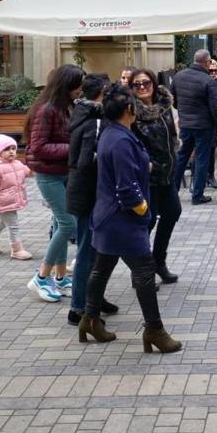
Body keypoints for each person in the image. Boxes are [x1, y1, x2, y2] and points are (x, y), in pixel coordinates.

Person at [78, 83, 182, 353]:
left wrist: (144, 164)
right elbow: (126, 188)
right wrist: (144, 210)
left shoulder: (113, 133)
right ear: (128, 109)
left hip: (107, 216)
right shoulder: (121, 139)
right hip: (122, 220)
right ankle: (154, 330)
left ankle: (89, 320)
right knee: (145, 272)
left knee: (102, 267)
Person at [25, 64, 84, 302]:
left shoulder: (67, 106)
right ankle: (41, 278)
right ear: (67, 85)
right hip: (49, 176)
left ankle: (60, 278)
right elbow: (37, 147)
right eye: (78, 84)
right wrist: (73, 149)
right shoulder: (46, 109)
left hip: (64, 173)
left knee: (62, 225)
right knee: (68, 225)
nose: (81, 89)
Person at [66, 73, 118, 326]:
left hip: (86, 193)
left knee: (96, 250)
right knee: (88, 251)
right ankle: (78, 307)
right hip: (89, 195)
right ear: (102, 93)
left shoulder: (84, 112)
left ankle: (93, 299)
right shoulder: (94, 121)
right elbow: (87, 162)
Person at [130, 68, 181, 282]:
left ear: (153, 83)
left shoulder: (164, 105)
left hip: (167, 171)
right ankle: (141, 270)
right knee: (146, 222)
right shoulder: (130, 110)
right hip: (146, 176)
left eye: (146, 83)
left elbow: (171, 133)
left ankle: (159, 260)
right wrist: (144, 163)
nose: (142, 87)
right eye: (137, 84)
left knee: (172, 212)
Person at [171, 50, 217, 205]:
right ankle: (197, 195)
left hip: (186, 124)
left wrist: (184, 112)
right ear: (207, 62)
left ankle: (172, 193)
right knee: (202, 159)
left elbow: (173, 99)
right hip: (204, 126)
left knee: (181, 157)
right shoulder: (209, 81)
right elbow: (216, 108)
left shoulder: (178, 76)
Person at [0, 134, 32, 260]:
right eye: (7, 149)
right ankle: (17, 250)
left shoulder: (17, 164)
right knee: (13, 225)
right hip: (4, 202)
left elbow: (28, 172)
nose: (11, 152)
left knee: (2, 223)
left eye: (13, 149)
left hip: (13, 200)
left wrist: (38, 167)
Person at [206, 59, 217, 190]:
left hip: (212, 123)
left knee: (211, 151)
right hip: (202, 121)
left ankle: (210, 176)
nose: (212, 73)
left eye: (215, 71)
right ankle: (199, 178)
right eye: (210, 70)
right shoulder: (203, 83)